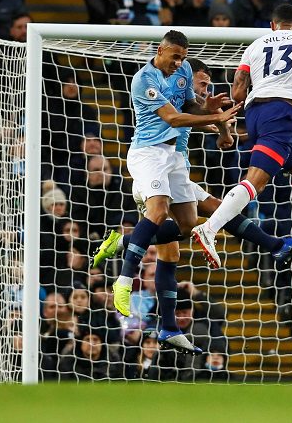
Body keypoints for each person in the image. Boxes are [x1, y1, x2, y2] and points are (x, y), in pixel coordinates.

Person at [93, 30, 239, 354]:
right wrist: (214, 117)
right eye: (174, 57)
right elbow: (173, 118)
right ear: (160, 50)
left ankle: (125, 244)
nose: (178, 64)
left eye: (183, 58)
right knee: (161, 214)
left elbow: (188, 107)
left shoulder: (183, 71)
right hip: (147, 154)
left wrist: (208, 111)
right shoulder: (144, 79)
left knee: (184, 229)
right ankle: (125, 281)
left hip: (174, 159)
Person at [191, 4, 292, 269]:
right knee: (255, 183)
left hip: (256, 113)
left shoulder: (255, 46)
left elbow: (237, 91)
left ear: (272, 25)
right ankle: (209, 228)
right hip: (281, 112)